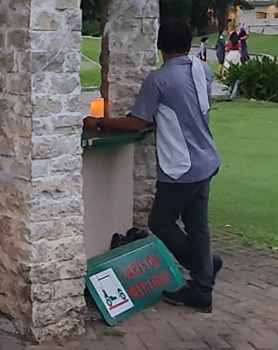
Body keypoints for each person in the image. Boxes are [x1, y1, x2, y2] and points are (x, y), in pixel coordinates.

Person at [85, 17, 221, 311]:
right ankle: (203, 280)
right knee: (197, 225)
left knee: (160, 222)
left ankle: (203, 270)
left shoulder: (159, 80)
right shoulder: (203, 70)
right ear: (189, 45)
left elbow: (137, 122)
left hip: (181, 166)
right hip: (207, 159)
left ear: (160, 46)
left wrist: (98, 122)